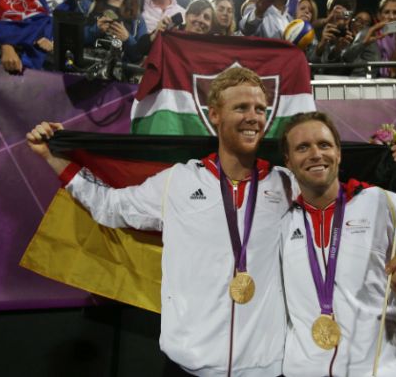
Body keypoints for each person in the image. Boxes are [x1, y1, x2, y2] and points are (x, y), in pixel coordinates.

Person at [26, 67, 293, 376]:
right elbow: (109, 206)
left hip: (268, 368)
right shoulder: (177, 181)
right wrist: (51, 156)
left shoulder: (287, 185)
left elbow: (341, 205)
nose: (254, 117)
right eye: (241, 107)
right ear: (215, 115)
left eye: (260, 109)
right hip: (188, 367)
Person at [279, 112, 396, 376]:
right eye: (303, 147)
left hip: (381, 370)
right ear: (288, 161)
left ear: (339, 153)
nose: (315, 154)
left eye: (324, 145)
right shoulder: (282, 224)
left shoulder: (385, 204)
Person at [81, 0, 148, 64]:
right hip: (82, 73)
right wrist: (95, 30)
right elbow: (71, 39)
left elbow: (140, 55)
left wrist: (127, 38)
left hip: (119, 78)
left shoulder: (138, 19)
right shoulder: (87, 5)